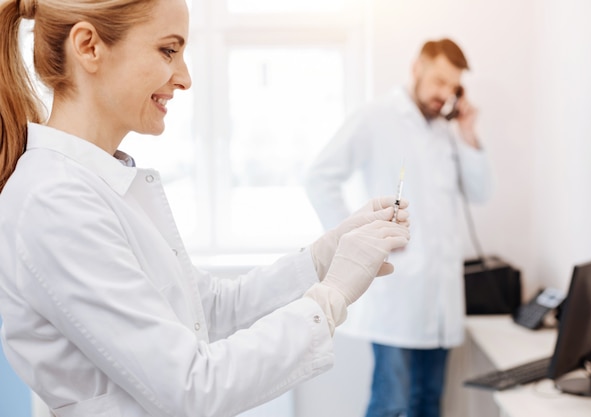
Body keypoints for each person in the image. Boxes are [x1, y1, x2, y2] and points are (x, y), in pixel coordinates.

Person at [0, 1, 411, 416]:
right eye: (168, 50)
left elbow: (209, 311)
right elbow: (192, 388)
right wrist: (332, 295)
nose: (185, 78)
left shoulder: (98, 184)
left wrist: (325, 257)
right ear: (88, 46)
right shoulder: (54, 200)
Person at [304, 38, 492, 417]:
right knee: (391, 404)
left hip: (441, 298)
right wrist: (357, 239)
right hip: (399, 297)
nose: (444, 94)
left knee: (428, 405)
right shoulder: (376, 117)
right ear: (417, 68)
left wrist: (468, 132)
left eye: (452, 87)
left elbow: (480, 191)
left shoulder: (446, 132)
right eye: (438, 81)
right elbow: (319, 177)